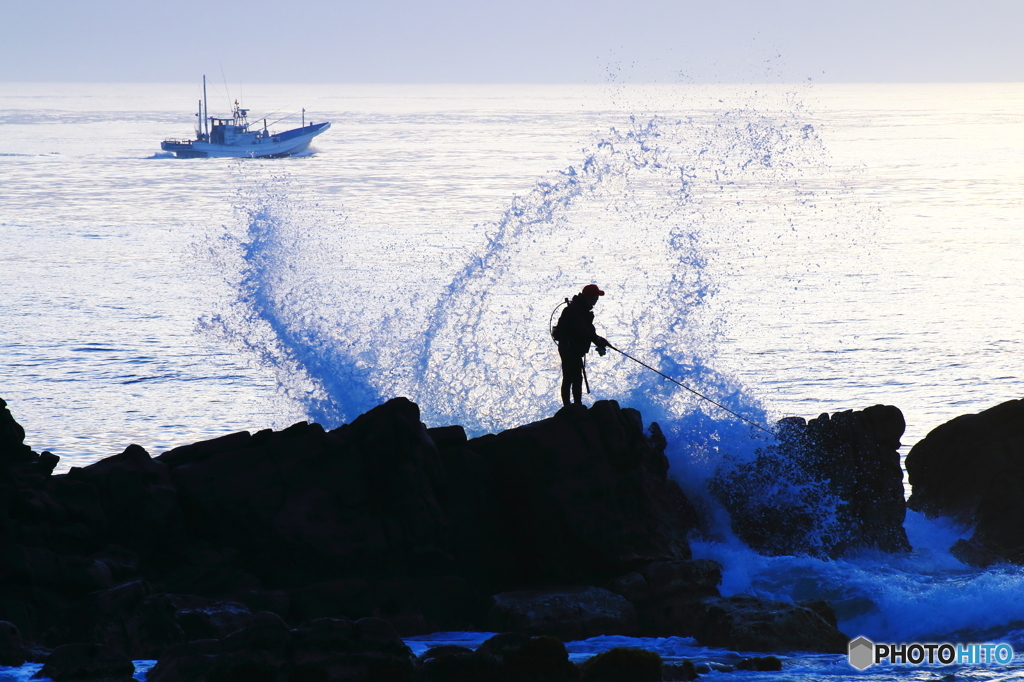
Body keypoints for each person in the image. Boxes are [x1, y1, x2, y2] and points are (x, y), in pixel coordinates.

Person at [553, 284, 611, 407]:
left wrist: (599, 341)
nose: (597, 299)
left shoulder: (582, 309)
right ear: (589, 297)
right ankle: (570, 407)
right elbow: (582, 329)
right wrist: (596, 339)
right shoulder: (575, 310)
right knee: (570, 377)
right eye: (596, 296)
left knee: (576, 377)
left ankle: (576, 406)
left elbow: (589, 330)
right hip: (568, 348)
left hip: (574, 348)